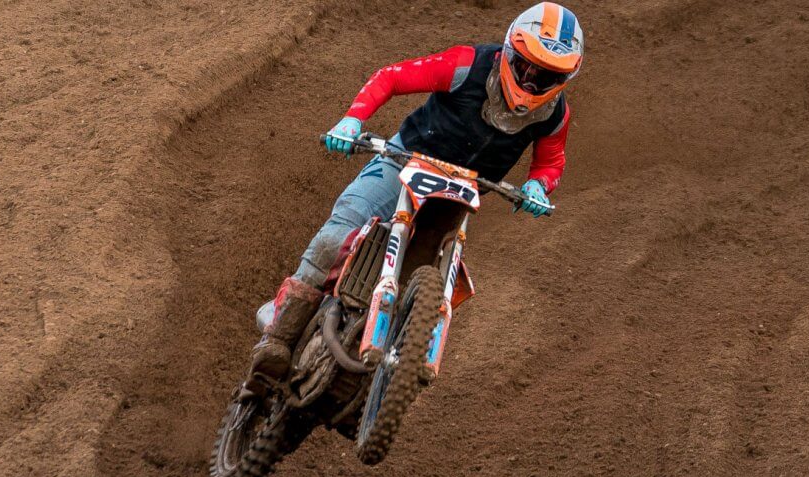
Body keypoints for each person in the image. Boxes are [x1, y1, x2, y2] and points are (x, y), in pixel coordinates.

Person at [249, 2, 584, 381]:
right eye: (526, 68)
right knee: (341, 230)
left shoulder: (555, 114)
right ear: (510, 51)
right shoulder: (467, 65)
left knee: (438, 277)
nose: (531, 83)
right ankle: (278, 332)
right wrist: (352, 120)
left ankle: (399, 356)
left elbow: (550, 160)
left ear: (563, 79)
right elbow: (392, 78)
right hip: (404, 161)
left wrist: (538, 185)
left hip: (459, 193)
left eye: (546, 77)